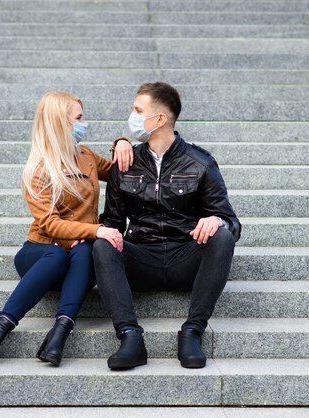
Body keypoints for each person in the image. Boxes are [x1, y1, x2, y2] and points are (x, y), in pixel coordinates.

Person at [0, 91, 132, 367]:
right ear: (61, 122)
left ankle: (60, 332)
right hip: (41, 253)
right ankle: (0, 327)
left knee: (84, 252)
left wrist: (122, 142)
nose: (84, 124)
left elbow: (120, 169)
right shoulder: (39, 168)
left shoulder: (85, 156)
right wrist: (95, 230)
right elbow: (49, 224)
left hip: (77, 258)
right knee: (62, 254)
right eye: (79, 118)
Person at [93, 82, 241, 370]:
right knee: (103, 243)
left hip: (186, 259)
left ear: (159, 119)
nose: (132, 116)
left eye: (138, 110)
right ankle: (129, 336)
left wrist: (216, 219)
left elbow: (232, 223)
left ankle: (192, 332)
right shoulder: (126, 163)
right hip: (142, 259)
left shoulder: (201, 163)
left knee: (222, 237)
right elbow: (111, 221)